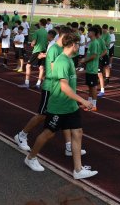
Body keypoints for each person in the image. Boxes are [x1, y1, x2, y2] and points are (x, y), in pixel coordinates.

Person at [24, 32, 98, 180]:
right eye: (78, 44)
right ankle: (30, 158)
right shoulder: (62, 61)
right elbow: (64, 88)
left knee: (77, 132)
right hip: (58, 106)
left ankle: (78, 169)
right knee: (48, 134)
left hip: (71, 106)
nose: (79, 46)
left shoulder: (69, 60)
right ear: (72, 45)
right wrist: (83, 101)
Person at [22, 19, 48, 88]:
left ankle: (26, 83)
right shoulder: (46, 32)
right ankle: (38, 84)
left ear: (40, 23)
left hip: (36, 51)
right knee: (41, 67)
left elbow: (33, 42)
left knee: (28, 66)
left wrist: (32, 45)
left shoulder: (37, 31)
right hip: (43, 51)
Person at [80, 26, 100, 110]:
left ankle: (94, 105)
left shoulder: (95, 43)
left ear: (93, 33)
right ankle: (89, 103)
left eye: (89, 32)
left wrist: (84, 60)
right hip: (89, 68)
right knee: (90, 86)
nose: (87, 33)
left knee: (93, 87)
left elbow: (94, 55)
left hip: (92, 68)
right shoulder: (91, 42)